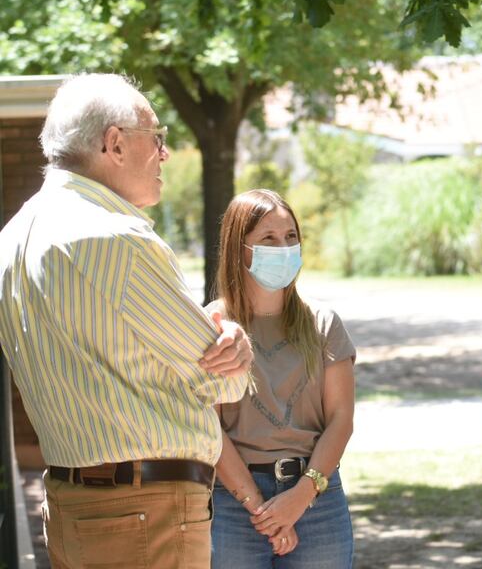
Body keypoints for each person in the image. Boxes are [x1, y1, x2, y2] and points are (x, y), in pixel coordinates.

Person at [0, 73, 254, 569]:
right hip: (145, 508)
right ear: (114, 143)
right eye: (156, 137)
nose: (164, 153)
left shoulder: (13, 238)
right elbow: (224, 381)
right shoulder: (115, 238)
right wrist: (232, 343)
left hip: (72, 503)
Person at [207, 189, 356, 568]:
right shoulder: (211, 326)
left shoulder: (323, 324)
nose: (284, 247)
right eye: (268, 239)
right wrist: (262, 511)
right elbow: (209, 428)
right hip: (233, 504)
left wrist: (301, 496)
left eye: (291, 237)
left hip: (318, 499)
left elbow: (341, 421)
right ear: (239, 249)